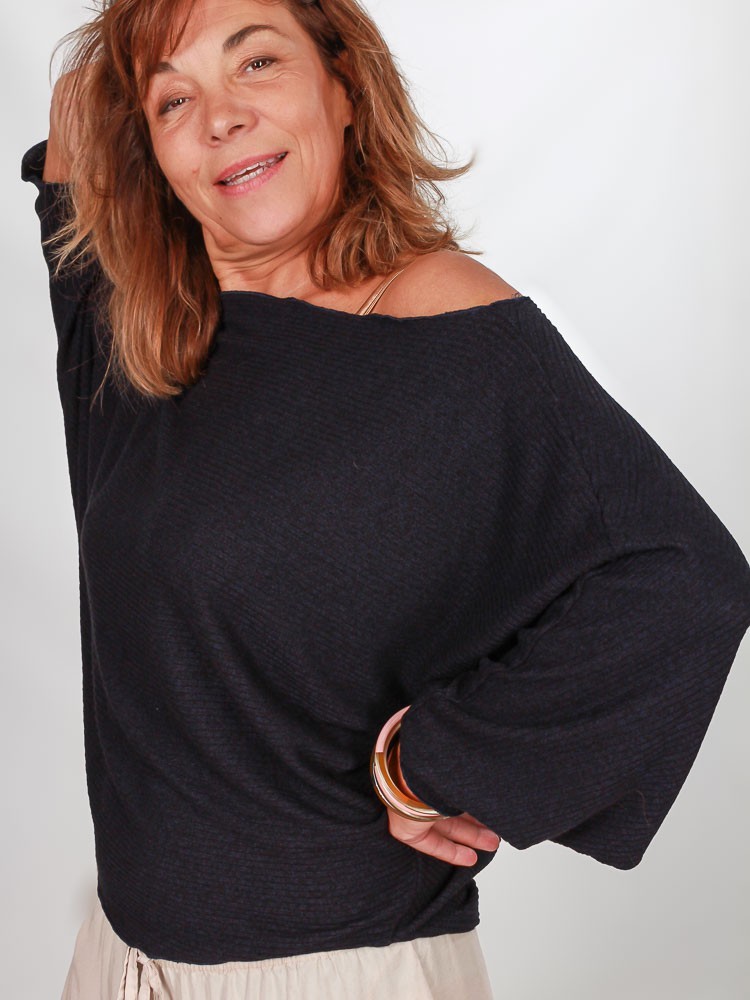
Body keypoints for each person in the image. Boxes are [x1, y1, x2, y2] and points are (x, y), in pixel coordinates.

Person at [22, 0, 750, 997]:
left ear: (346, 88)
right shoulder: (140, 335)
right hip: (117, 963)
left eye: (258, 63)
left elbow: (685, 577)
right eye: (173, 101)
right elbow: (77, 109)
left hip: (338, 972)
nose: (221, 117)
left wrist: (439, 761)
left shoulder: (443, 325)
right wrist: (132, 67)